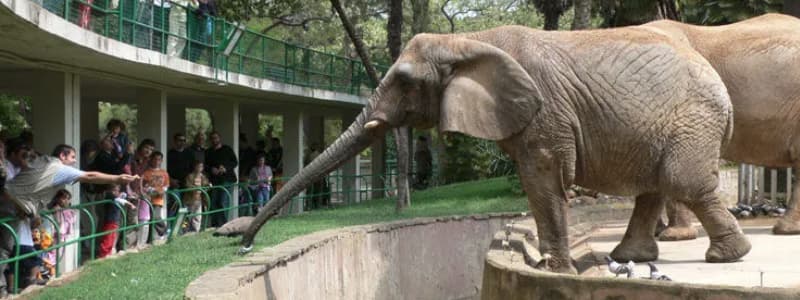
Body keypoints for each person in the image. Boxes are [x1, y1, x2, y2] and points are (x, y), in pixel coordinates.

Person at [204, 131, 237, 227]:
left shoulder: (227, 149)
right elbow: (205, 165)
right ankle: (215, 224)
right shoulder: (208, 152)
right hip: (214, 180)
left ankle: (224, 224)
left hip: (227, 179)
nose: (215, 140)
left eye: (216, 138)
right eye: (213, 138)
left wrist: (225, 168)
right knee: (213, 202)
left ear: (219, 138)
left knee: (223, 202)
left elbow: (235, 162)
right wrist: (211, 169)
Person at [97, 184, 135, 258]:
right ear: (111, 191)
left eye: (117, 190)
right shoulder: (110, 196)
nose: (116, 192)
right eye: (115, 190)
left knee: (111, 237)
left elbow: (123, 196)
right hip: (110, 220)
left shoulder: (113, 196)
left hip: (113, 221)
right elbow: (120, 200)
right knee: (108, 237)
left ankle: (108, 252)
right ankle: (103, 254)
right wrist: (130, 204)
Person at [142, 151, 169, 240]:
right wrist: (152, 190)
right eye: (155, 159)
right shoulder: (146, 172)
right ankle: (150, 239)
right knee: (148, 218)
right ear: (151, 159)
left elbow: (166, 185)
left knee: (156, 216)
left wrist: (163, 191)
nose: (157, 161)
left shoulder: (164, 173)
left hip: (158, 199)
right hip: (147, 198)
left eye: (159, 159)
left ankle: (165, 231)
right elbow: (143, 185)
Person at [183, 160, 208, 232]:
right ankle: (185, 230)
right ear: (195, 167)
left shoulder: (203, 176)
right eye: (199, 166)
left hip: (199, 199)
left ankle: (196, 230)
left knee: (197, 216)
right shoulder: (190, 176)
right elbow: (187, 186)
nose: (200, 168)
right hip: (190, 199)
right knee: (187, 216)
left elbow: (206, 184)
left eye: (201, 166)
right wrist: (195, 188)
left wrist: (207, 186)